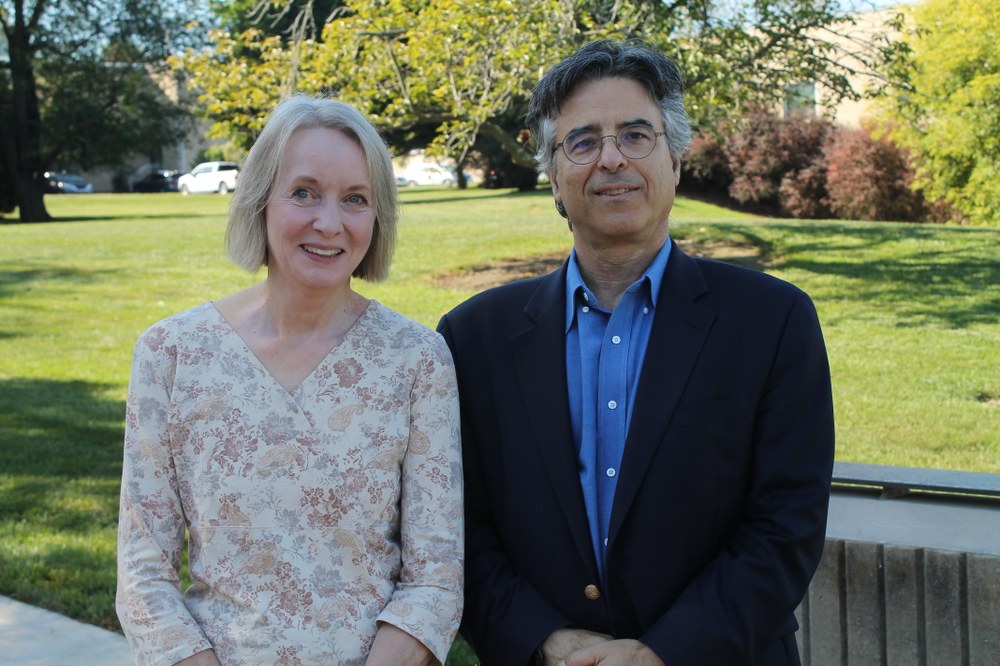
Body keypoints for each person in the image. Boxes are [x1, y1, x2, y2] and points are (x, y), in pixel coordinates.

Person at [437, 40, 834, 666]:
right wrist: (546, 639)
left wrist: (662, 653)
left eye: (636, 134)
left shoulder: (773, 321)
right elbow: (459, 525)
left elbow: (785, 527)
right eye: (583, 141)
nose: (612, 158)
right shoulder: (472, 337)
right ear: (554, 176)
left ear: (675, 160)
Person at [116, 95, 463, 666]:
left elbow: (435, 580)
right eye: (304, 192)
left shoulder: (417, 360)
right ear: (260, 201)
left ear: (377, 220)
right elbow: (143, 575)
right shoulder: (171, 354)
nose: (329, 222)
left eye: (355, 199)